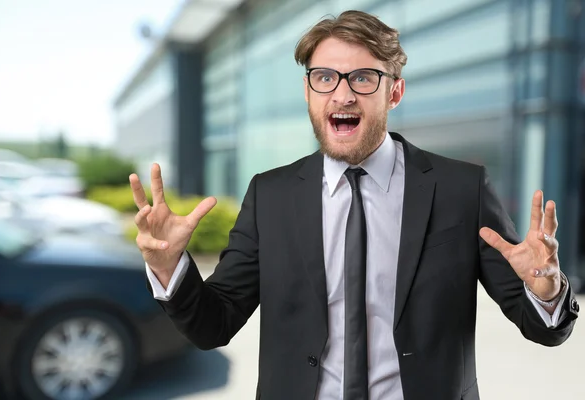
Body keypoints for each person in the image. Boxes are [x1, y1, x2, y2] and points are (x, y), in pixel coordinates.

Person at [128, 10, 579, 400]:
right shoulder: (271, 195)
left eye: (363, 78)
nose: (342, 94)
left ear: (395, 92)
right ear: (308, 93)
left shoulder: (461, 187)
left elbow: (543, 330)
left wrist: (545, 288)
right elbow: (213, 325)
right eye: (325, 78)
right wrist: (171, 269)